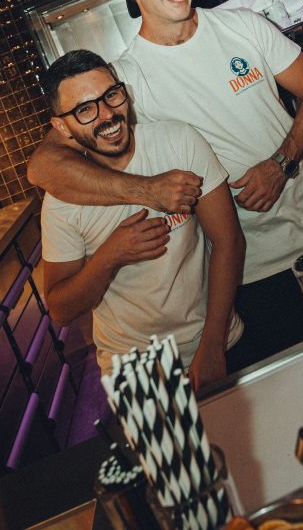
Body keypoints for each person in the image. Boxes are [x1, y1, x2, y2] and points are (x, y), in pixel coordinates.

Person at [29, 0, 303, 362]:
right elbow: (43, 165)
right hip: (248, 265)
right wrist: (145, 191)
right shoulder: (125, 79)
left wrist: (282, 163)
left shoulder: (242, 25)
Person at [39, 50, 246, 392]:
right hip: (133, 368)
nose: (107, 115)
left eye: (111, 95)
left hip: (217, 337)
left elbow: (228, 241)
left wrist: (212, 344)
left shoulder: (178, 141)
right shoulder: (62, 200)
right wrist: (110, 256)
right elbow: (61, 308)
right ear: (63, 126)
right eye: (85, 109)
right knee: (170, 435)